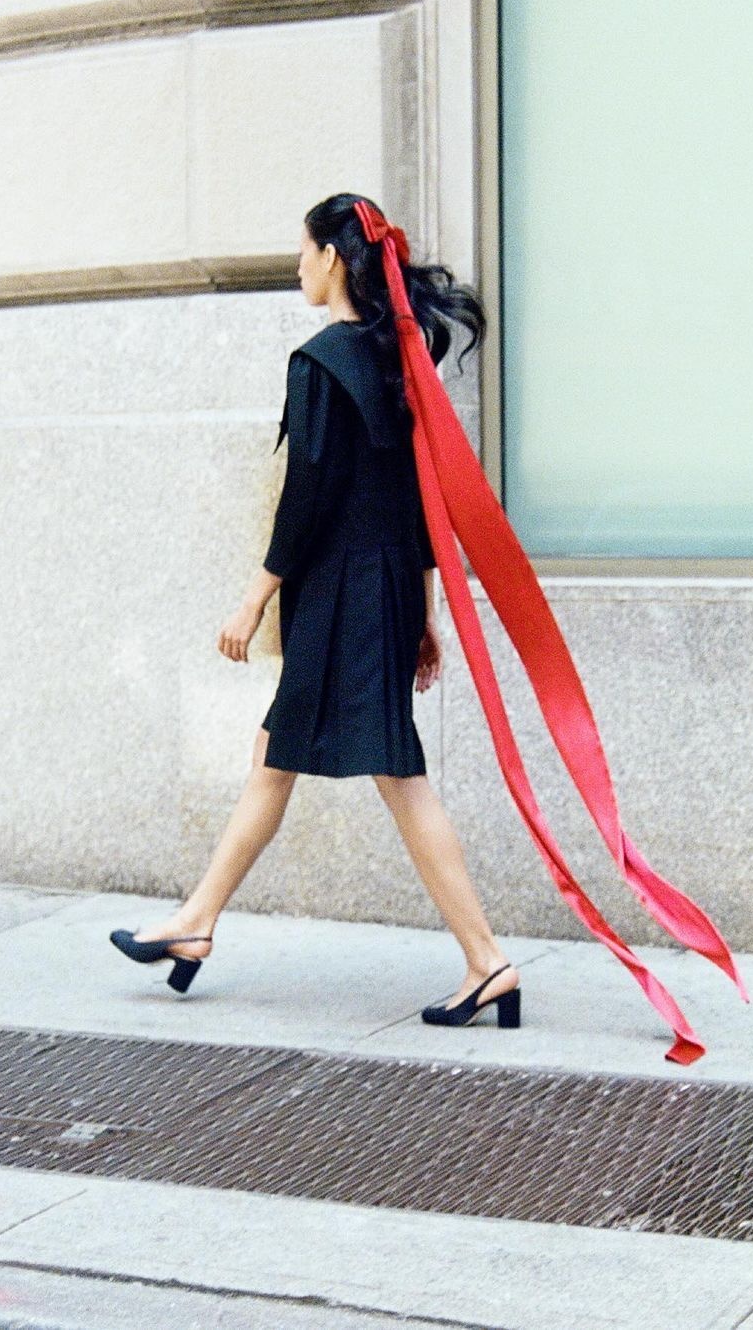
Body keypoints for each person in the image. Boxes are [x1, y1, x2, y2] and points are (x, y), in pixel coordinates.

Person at [110, 192, 521, 1029]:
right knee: (278, 752)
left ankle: (488, 961)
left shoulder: (323, 360)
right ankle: (196, 922)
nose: (297, 266)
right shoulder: (398, 362)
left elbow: (307, 496)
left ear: (334, 257)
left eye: (303, 252)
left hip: (341, 591)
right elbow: (419, 502)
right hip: (383, 587)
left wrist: (255, 597)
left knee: (397, 775)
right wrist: (424, 611)